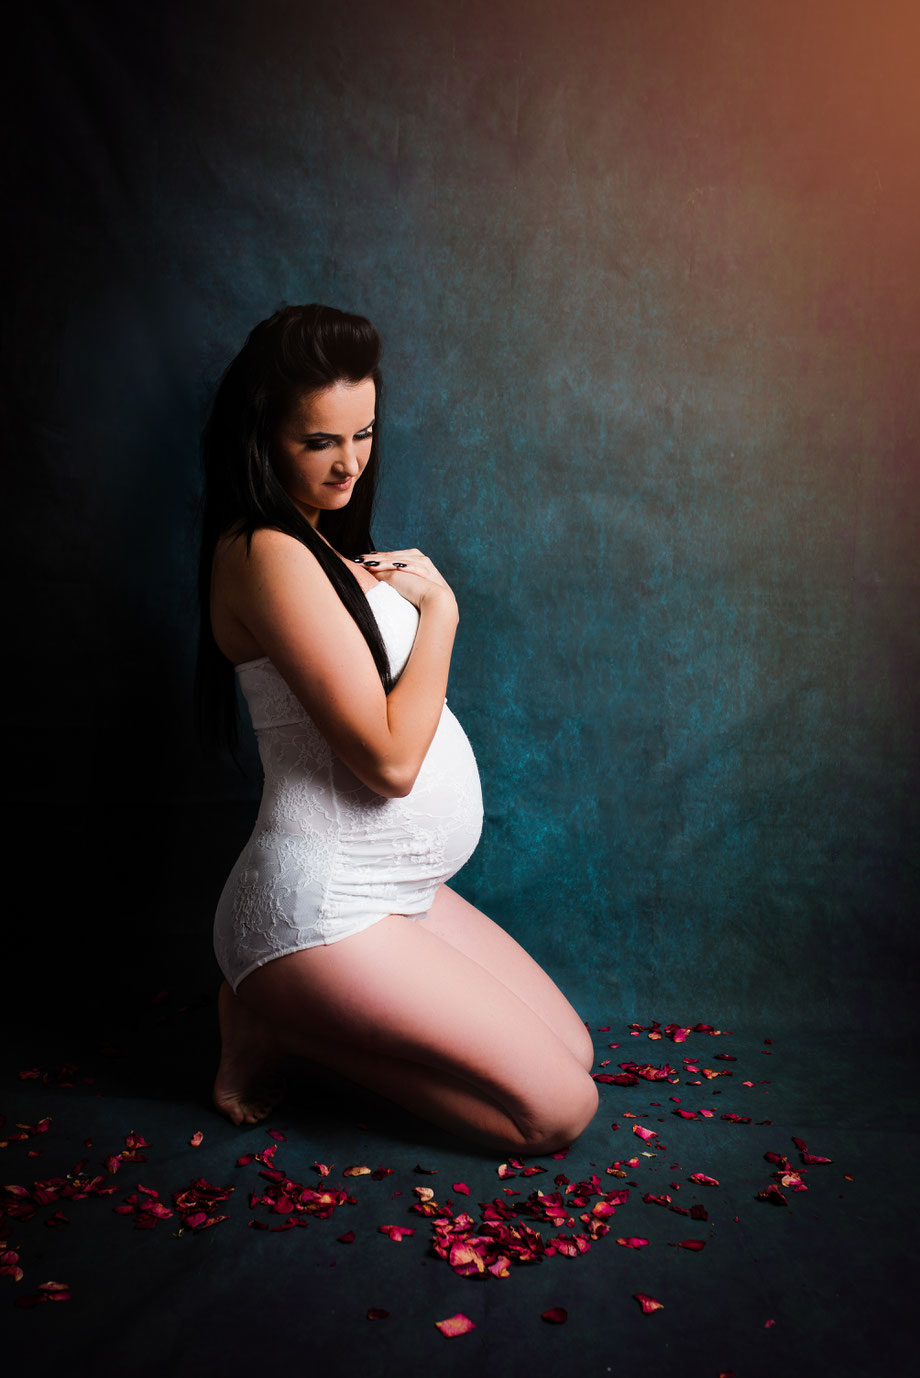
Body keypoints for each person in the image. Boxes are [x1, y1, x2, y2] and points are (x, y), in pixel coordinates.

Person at [196, 303, 598, 1153]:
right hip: (322, 908)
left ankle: (285, 1015)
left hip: (395, 894)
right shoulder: (265, 551)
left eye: (364, 433)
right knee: (556, 1114)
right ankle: (282, 1024)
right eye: (319, 443)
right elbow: (387, 761)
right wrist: (442, 611)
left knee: (578, 1054)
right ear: (263, 437)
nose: (349, 465)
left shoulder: (320, 545)